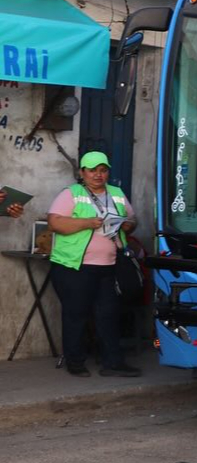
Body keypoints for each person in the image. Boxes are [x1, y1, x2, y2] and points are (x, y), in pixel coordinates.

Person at [47, 151, 141, 378]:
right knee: (76, 314)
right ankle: (75, 362)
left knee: (108, 314)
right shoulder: (72, 194)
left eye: (103, 170)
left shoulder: (117, 194)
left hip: (109, 266)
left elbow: (132, 221)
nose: (98, 175)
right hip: (74, 266)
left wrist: (122, 226)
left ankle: (113, 362)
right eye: (92, 170)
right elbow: (55, 223)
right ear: (82, 173)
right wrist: (89, 223)